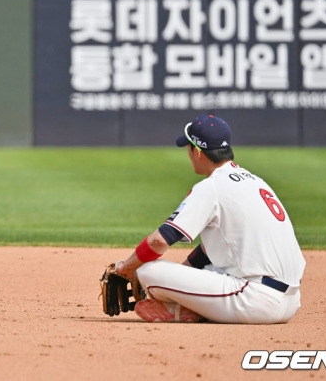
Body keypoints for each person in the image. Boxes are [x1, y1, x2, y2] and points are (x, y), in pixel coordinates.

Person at [112, 114, 306, 323]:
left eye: (188, 148)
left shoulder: (211, 186)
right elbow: (207, 252)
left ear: (197, 151)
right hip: (291, 300)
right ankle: (188, 308)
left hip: (256, 302)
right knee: (210, 265)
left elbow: (159, 241)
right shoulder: (256, 181)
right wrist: (180, 278)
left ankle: (182, 310)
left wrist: (126, 269)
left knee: (148, 272)